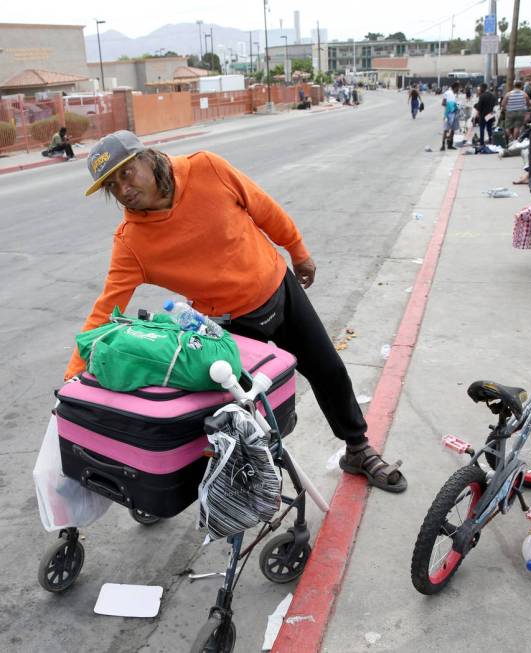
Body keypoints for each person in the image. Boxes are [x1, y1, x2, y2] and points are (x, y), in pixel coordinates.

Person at [64, 130, 407, 493]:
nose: (123, 189)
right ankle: (254, 488)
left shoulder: (206, 169)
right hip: (230, 328)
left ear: (148, 157)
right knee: (245, 415)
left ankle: (358, 449)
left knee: (328, 370)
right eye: (111, 185)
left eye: (126, 172)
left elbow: (262, 207)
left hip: (279, 288)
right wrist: (73, 379)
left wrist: (298, 249)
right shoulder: (132, 243)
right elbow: (104, 310)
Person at [474, 83, 498, 147]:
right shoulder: (492, 95)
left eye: (480, 88)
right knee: (489, 128)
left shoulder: (482, 96)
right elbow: (496, 103)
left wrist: (477, 114)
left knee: (482, 128)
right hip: (490, 114)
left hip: (483, 114)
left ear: (482, 88)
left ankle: (482, 142)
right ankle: (491, 140)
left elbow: (479, 106)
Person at [440, 81, 460, 151]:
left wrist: (456, 107)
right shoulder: (448, 93)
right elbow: (443, 103)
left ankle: (450, 145)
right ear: (455, 87)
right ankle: (443, 145)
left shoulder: (453, 94)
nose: (458, 90)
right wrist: (451, 106)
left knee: (453, 130)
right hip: (448, 114)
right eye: (458, 88)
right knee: (446, 130)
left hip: (453, 113)